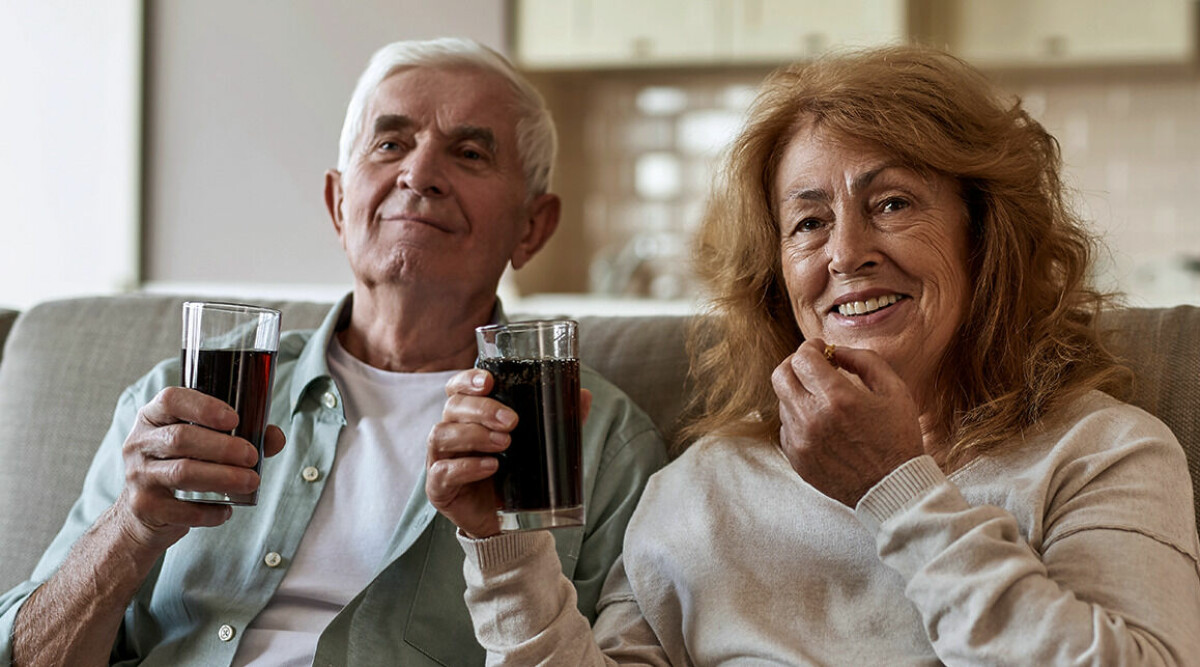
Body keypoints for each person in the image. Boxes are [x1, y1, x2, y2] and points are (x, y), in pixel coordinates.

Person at [427, 45, 1200, 664]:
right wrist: (507, 551)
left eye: (892, 203)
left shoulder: (1100, 452)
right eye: (808, 223)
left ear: (984, 236)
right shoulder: (702, 487)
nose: (846, 253)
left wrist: (898, 489)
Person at [0, 38, 666, 666]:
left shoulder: (599, 438)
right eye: (390, 142)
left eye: (468, 153)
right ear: (338, 201)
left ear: (533, 225)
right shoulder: (179, 396)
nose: (419, 172)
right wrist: (128, 528)